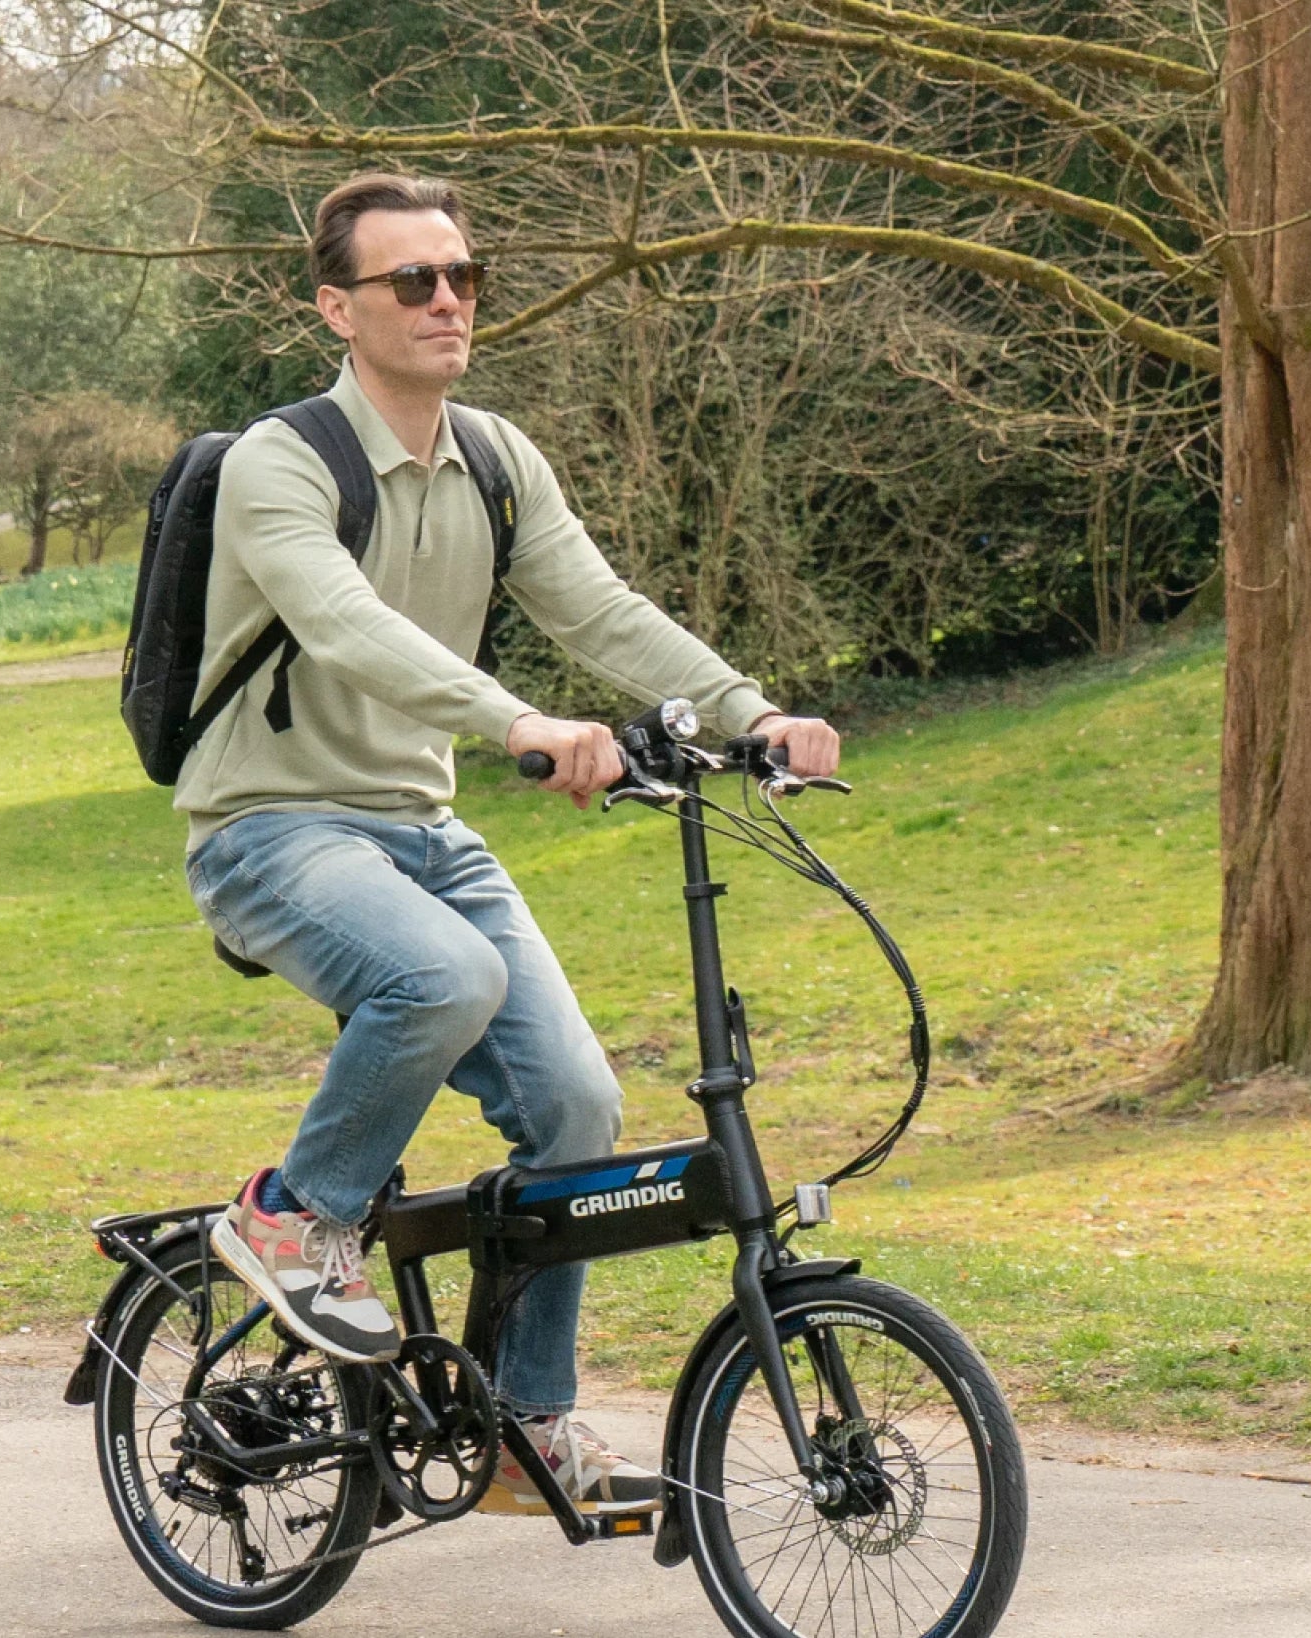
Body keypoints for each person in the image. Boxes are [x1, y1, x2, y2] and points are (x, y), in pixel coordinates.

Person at [183, 173, 841, 1518]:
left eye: (462, 278)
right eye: (410, 281)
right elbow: (347, 624)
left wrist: (748, 709)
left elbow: (598, 605)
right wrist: (519, 722)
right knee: (442, 978)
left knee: (578, 1110)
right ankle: (292, 1216)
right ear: (336, 307)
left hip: (419, 829)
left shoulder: (494, 457)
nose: (445, 300)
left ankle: (526, 1422)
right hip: (272, 826)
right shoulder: (283, 460)